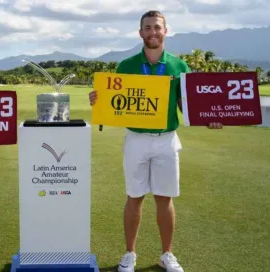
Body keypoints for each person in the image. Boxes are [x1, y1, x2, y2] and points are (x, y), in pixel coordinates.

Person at [88, 10, 222, 272]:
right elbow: (114, 102)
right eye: (147, 28)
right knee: (134, 197)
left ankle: (167, 254)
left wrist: (209, 118)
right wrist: (97, 100)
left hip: (166, 139)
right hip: (136, 138)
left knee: (164, 197)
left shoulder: (178, 66)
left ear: (165, 31)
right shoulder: (125, 66)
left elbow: (188, 106)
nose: (153, 32)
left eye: (157, 27)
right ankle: (129, 254)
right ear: (141, 33)